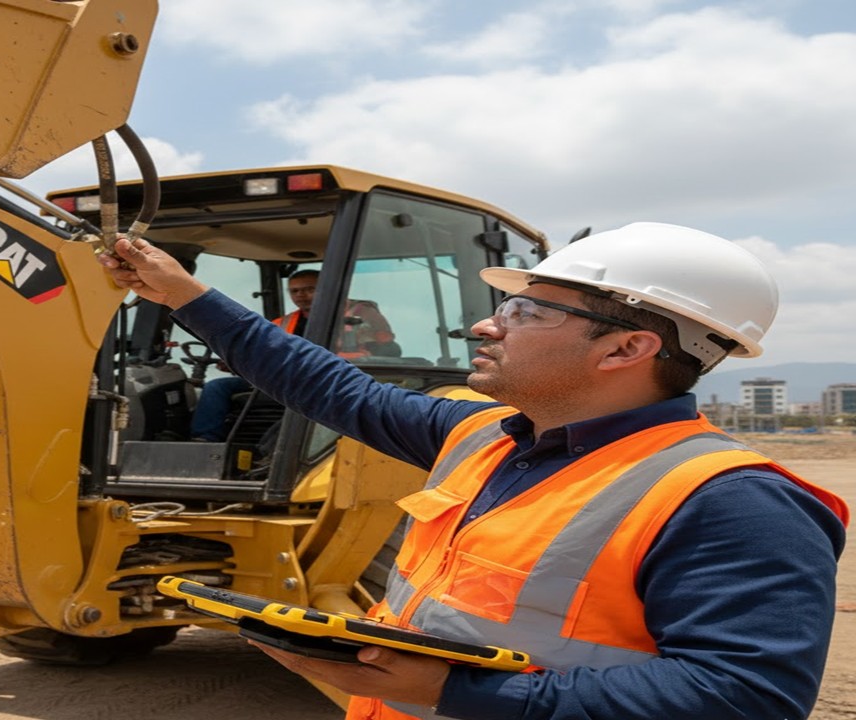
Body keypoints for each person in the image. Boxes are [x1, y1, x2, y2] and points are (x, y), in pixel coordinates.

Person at [100, 223, 849, 719]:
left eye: (530, 312)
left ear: (625, 350)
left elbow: (743, 698)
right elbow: (334, 389)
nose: (486, 323)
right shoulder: (481, 433)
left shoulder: (730, 501)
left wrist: (456, 689)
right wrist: (187, 297)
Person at [190, 269, 399, 441]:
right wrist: (235, 363)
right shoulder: (282, 323)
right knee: (217, 387)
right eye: (295, 291)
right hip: (281, 380)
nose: (301, 295)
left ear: (328, 288)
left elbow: (389, 349)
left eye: (310, 289)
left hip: (334, 380)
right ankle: (205, 440)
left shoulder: (361, 314)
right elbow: (259, 352)